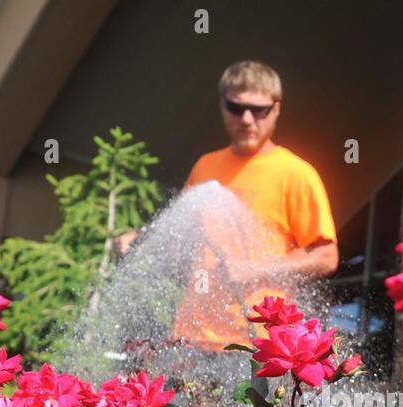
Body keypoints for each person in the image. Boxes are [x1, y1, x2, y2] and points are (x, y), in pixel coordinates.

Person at [116, 61, 338, 352]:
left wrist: (252, 268)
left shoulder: (296, 173)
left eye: (259, 110)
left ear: (276, 109)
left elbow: (326, 257)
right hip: (190, 337)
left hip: (255, 343)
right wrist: (141, 238)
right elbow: (184, 235)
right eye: (236, 108)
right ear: (223, 106)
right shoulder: (205, 166)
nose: (247, 119)